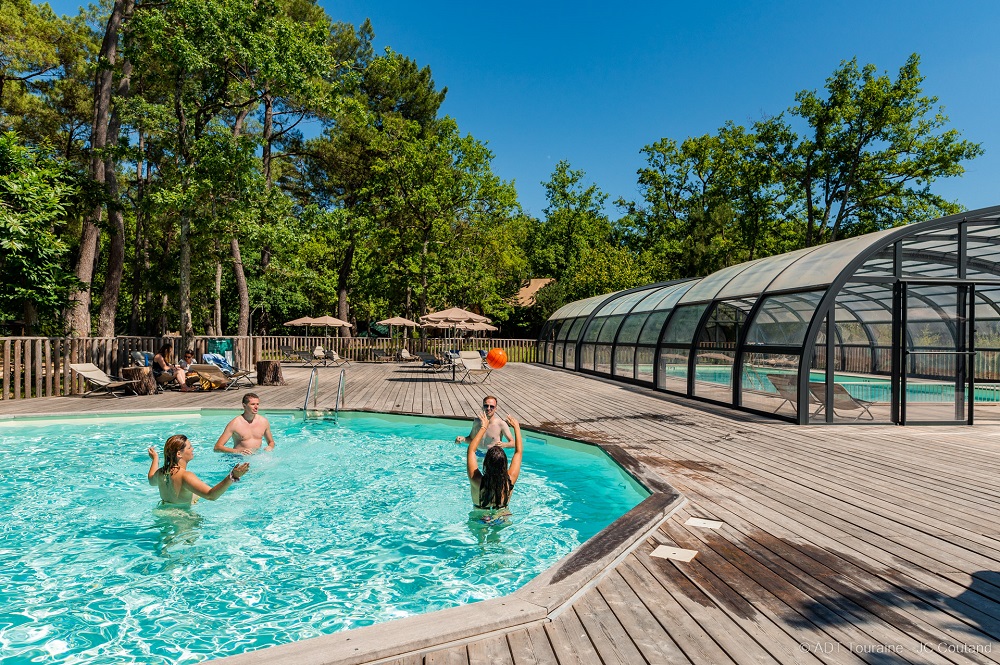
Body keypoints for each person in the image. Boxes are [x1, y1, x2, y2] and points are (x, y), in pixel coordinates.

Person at [147, 434, 249, 506]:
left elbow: (151, 480)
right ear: (179, 454)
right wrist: (232, 476)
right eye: (189, 447)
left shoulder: (161, 472)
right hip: (182, 520)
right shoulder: (185, 476)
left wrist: (155, 458)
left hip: (163, 513)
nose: (193, 449)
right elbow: (211, 495)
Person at [467, 410, 523, 510]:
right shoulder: (510, 480)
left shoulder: (476, 480)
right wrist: (517, 427)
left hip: (479, 518)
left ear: (486, 463)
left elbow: (471, 451)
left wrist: (483, 427)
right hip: (502, 517)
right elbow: (518, 452)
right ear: (504, 464)